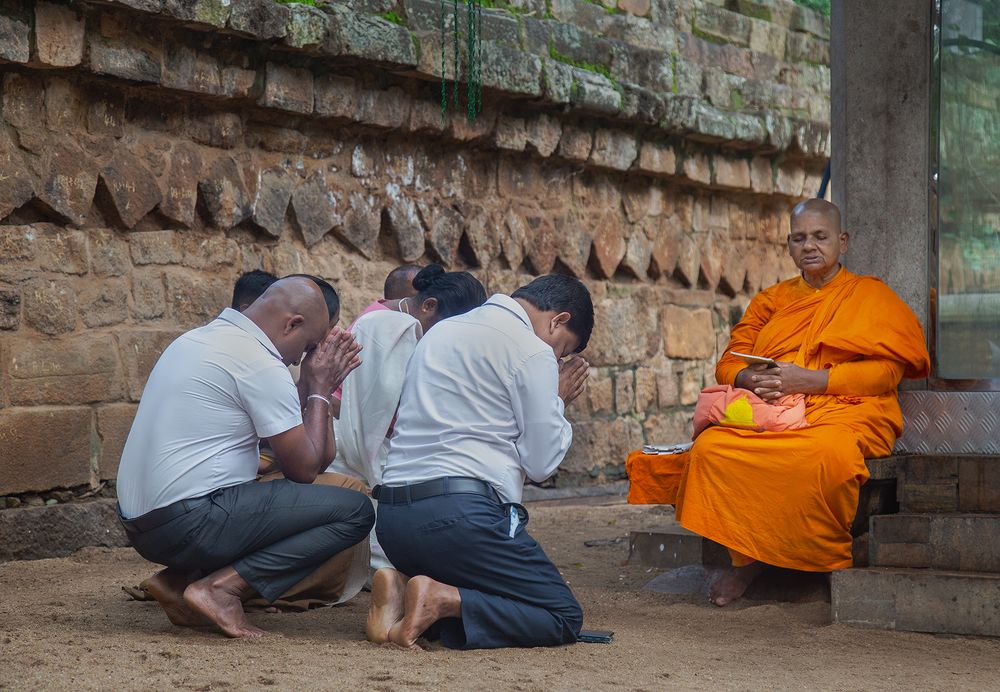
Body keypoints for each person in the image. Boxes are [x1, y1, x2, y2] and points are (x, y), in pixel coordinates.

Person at [625, 199, 930, 605]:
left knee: (828, 456)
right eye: (799, 238)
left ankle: (824, 563)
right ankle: (747, 560)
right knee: (712, 449)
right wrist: (750, 379)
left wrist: (811, 381)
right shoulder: (771, 301)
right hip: (773, 413)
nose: (810, 246)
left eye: (820, 237)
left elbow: (887, 373)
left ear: (842, 241)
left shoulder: (871, 297)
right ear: (788, 245)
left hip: (842, 411)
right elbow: (729, 363)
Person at [115, 277, 373, 638]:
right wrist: (318, 389)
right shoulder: (260, 363)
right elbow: (304, 470)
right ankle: (222, 589)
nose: (301, 358)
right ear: (292, 324)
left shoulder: (196, 339)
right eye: (307, 346)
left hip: (142, 526)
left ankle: (179, 580)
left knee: (300, 498)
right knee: (355, 510)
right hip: (190, 523)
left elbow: (319, 455)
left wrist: (317, 390)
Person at [366, 274, 593, 650]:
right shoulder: (532, 351)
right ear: (558, 321)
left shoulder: (441, 330)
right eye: (561, 350)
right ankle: (441, 598)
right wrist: (557, 401)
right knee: (562, 615)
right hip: (459, 520)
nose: (556, 359)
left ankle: (402, 590)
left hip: (393, 524)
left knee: (490, 586)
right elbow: (540, 463)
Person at [326, 264, 488, 570]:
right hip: (349, 449)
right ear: (429, 306)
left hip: (360, 443)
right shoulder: (394, 328)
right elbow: (375, 416)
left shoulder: (387, 318)